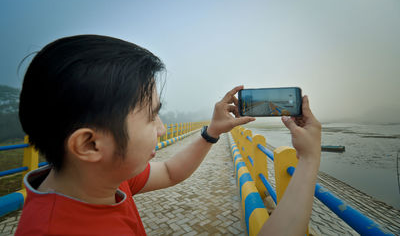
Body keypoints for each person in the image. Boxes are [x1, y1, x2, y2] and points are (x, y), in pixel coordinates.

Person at [15, 35, 321, 236]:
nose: (161, 128)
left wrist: (212, 131)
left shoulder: (98, 178)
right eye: (151, 116)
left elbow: (170, 171)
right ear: (89, 144)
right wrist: (309, 159)